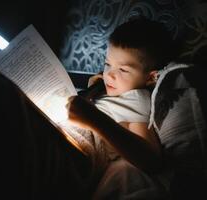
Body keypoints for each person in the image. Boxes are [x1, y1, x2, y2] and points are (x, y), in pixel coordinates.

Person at [66, 17, 178, 199]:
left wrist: (93, 118)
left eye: (123, 70)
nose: (110, 74)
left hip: (78, 151)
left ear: (151, 78)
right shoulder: (107, 88)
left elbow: (151, 159)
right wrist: (94, 90)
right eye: (107, 63)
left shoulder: (138, 98)